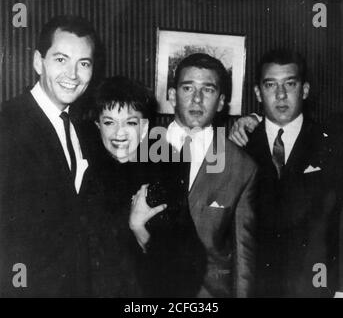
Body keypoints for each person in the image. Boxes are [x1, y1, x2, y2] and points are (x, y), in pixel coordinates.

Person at [132, 53, 258, 297]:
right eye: (187, 88)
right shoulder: (139, 149)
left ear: (221, 102)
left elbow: (244, 259)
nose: (197, 99)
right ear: (171, 96)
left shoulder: (242, 167)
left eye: (208, 90)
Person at [0, 15, 100, 297]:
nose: (73, 75)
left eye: (84, 63)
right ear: (37, 62)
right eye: (60, 59)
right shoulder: (7, 123)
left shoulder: (84, 130)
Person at [83, 76, 206, 297]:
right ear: (97, 126)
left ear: (144, 127)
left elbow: (187, 271)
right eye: (109, 122)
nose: (118, 133)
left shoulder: (165, 173)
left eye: (130, 122)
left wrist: (140, 229)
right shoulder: (89, 172)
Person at [230, 49, 338, 297]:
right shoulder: (239, 145)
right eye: (270, 85)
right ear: (258, 92)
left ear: (305, 90)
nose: (280, 95)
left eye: (290, 83)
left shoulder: (331, 145)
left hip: (314, 288)